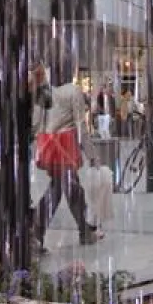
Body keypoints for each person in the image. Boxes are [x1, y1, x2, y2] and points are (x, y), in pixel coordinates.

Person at [32, 44, 101, 253]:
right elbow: (81, 126)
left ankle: (83, 229)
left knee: (66, 187)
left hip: (49, 144)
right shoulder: (73, 91)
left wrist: (37, 144)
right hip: (66, 145)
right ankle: (39, 232)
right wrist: (91, 153)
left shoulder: (46, 90)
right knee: (64, 188)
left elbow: (38, 121)